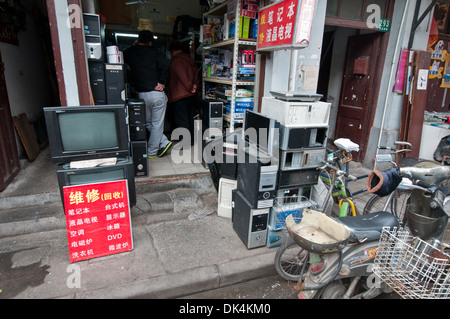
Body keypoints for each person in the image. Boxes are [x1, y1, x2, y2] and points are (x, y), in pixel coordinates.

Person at [124, 30, 173, 158]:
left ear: (138, 40)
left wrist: (134, 45)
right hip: (157, 93)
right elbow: (166, 65)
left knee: (147, 123)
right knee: (156, 123)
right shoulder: (155, 51)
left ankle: (158, 146)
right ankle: (160, 145)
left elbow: (124, 57)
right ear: (150, 42)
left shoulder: (130, 52)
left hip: (141, 95)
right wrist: (162, 82)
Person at [167, 40, 199, 145]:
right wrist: (194, 86)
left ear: (175, 50)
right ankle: (191, 141)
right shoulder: (189, 59)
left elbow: (183, 77)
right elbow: (195, 74)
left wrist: (189, 87)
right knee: (189, 118)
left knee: (181, 119)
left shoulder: (177, 61)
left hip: (180, 95)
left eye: (171, 52)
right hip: (191, 95)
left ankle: (185, 142)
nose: (171, 54)